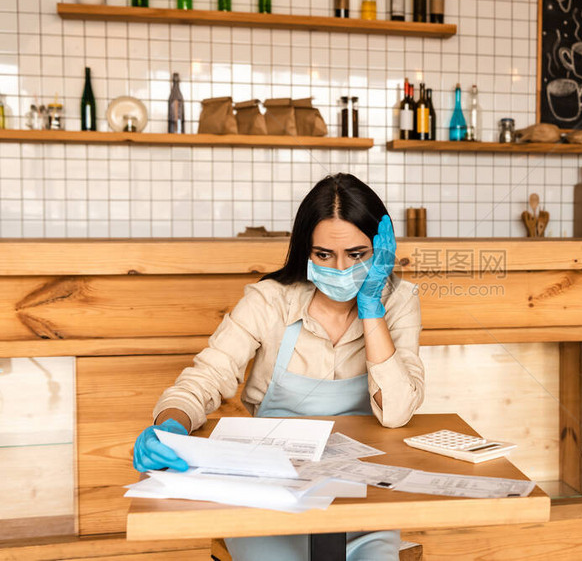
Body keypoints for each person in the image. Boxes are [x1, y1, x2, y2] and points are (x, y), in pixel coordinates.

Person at [132, 173, 425, 561]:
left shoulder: (399, 301)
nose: (339, 269)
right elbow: (206, 377)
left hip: (362, 498)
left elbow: (397, 413)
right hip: (265, 497)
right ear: (305, 251)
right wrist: (170, 426)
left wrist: (372, 307)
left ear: (379, 252)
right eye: (324, 255)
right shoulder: (269, 301)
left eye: (357, 255)